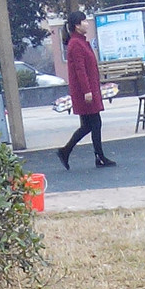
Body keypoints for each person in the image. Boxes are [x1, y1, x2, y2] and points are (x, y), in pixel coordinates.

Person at [56, 12, 116, 170]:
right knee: (95, 123)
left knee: (89, 125)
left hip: (88, 90)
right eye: (84, 21)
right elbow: (80, 70)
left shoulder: (79, 42)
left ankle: (67, 151)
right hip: (85, 92)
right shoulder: (76, 44)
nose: (87, 23)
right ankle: (98, 156)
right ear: (77, 25)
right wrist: (87, 91)